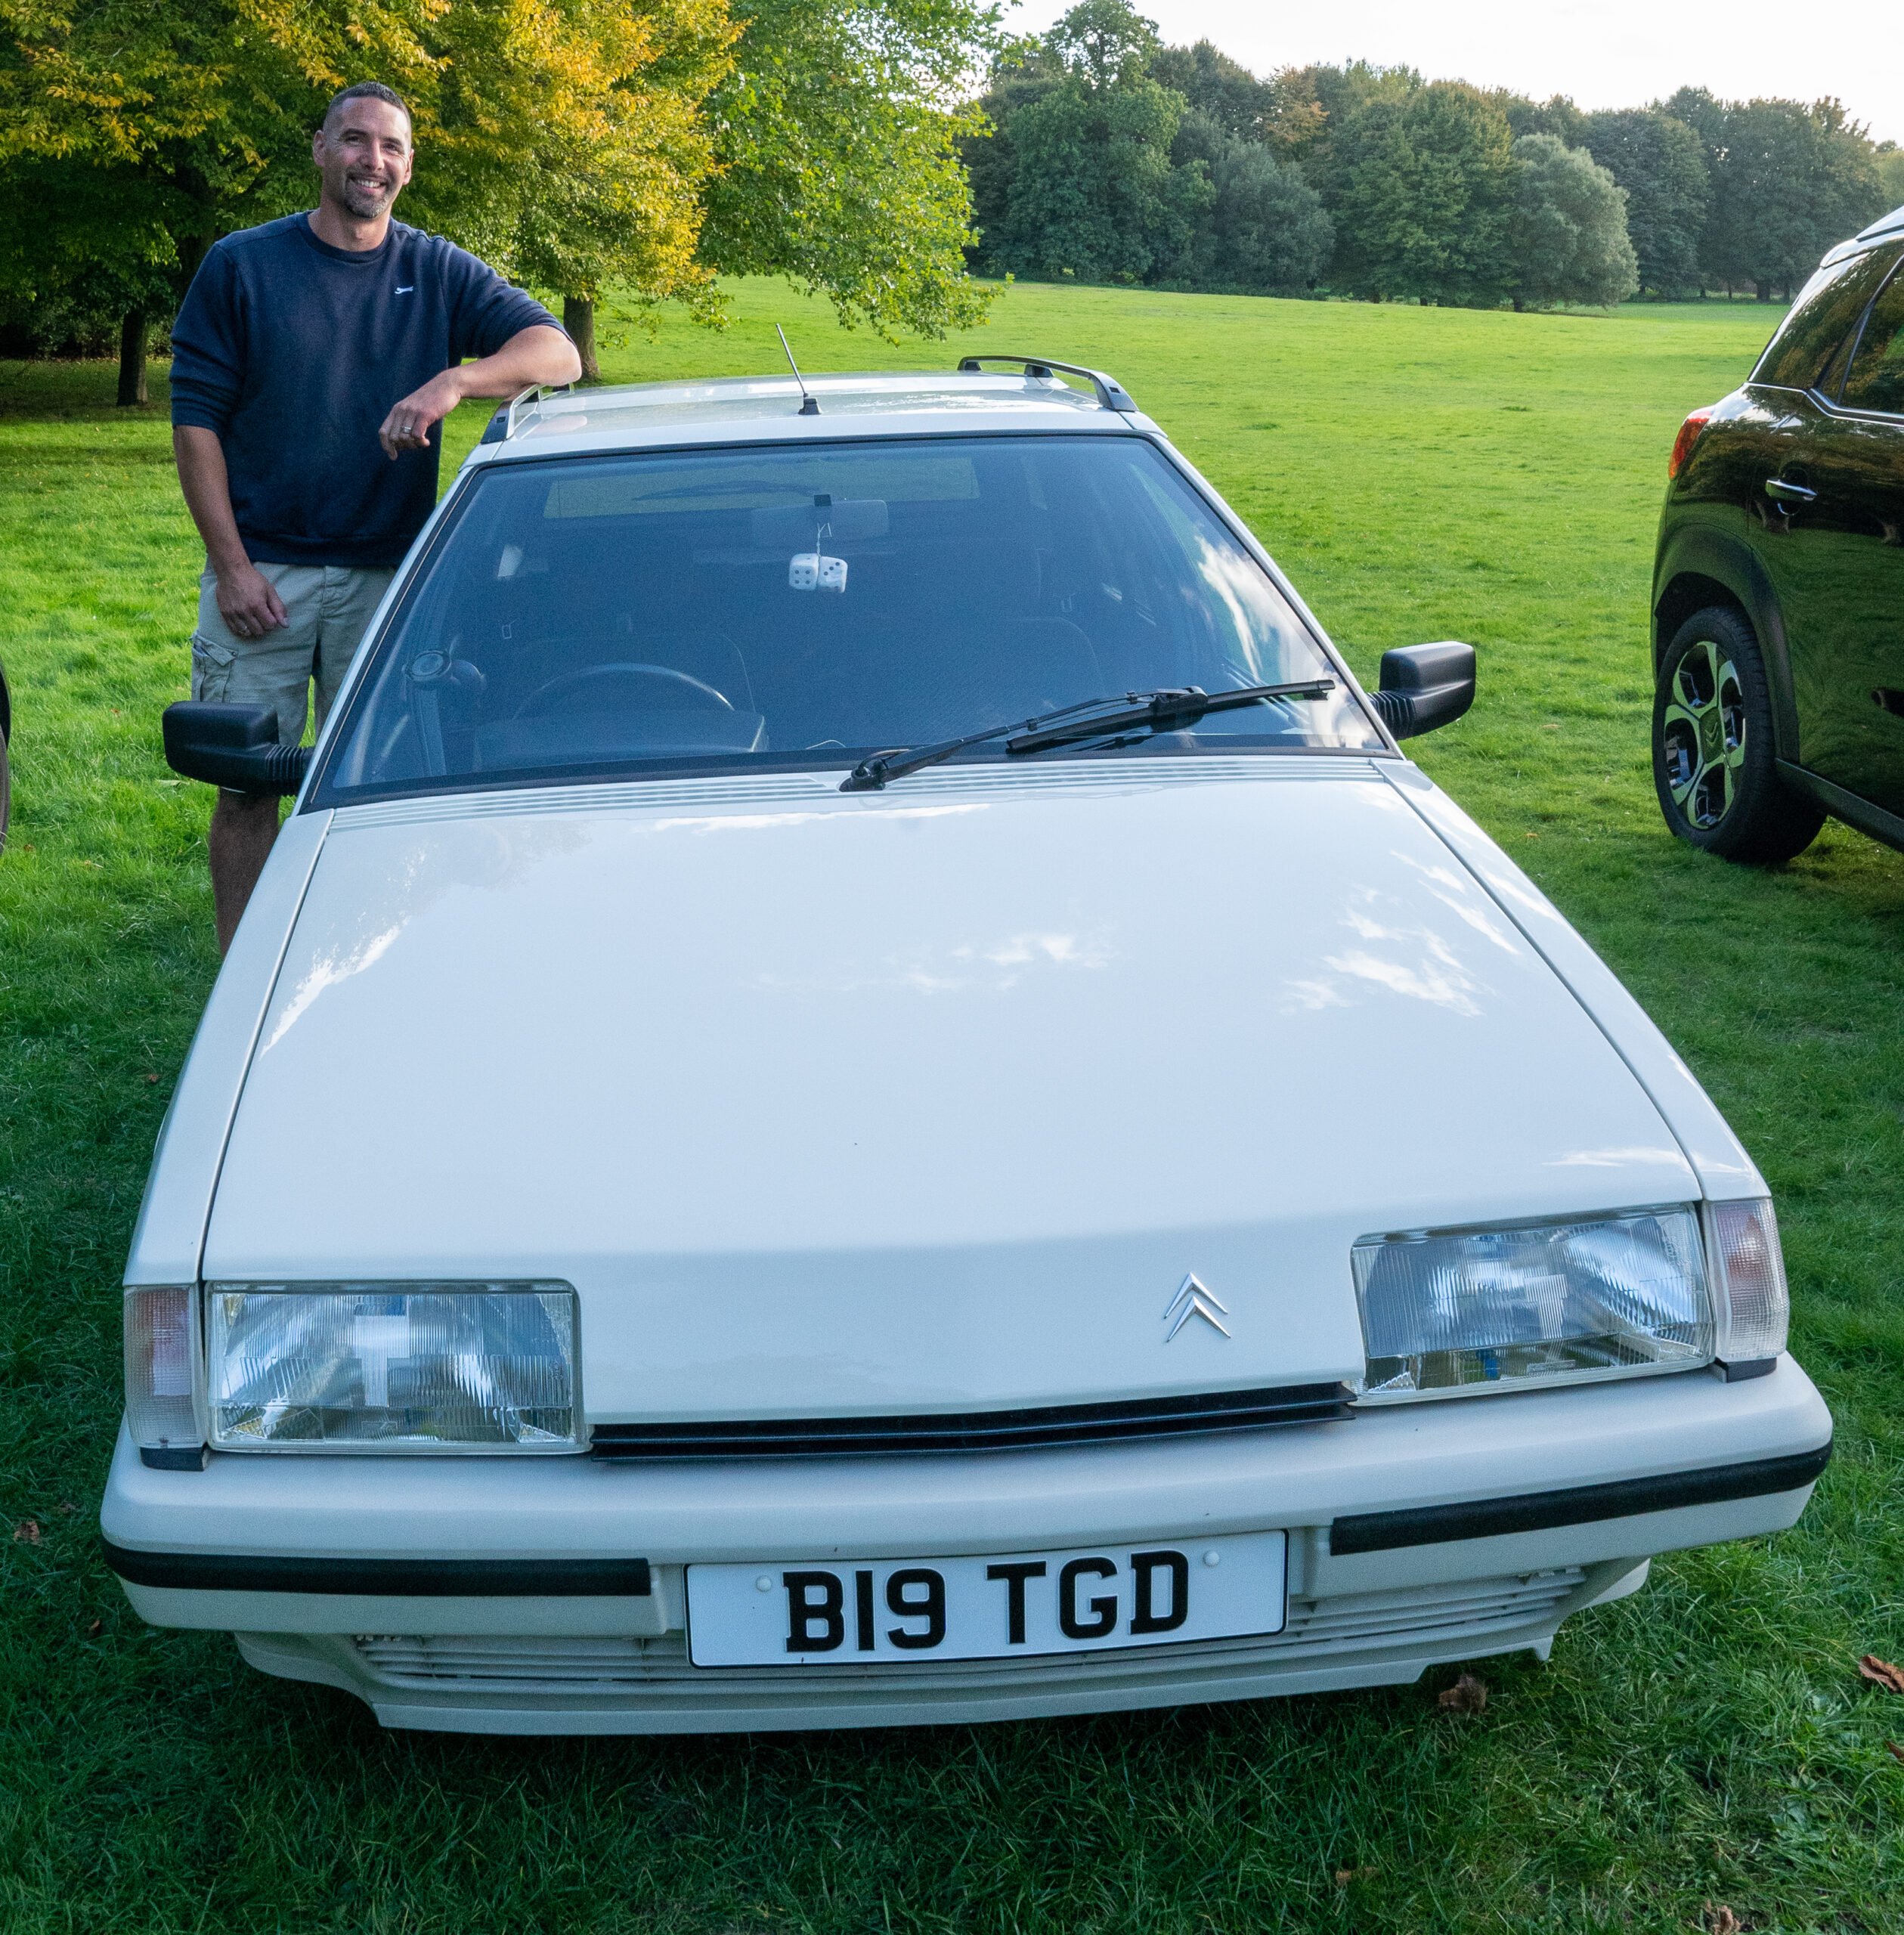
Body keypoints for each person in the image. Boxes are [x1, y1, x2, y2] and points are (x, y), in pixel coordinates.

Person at [169, 80, 582, 952]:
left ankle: (356, 959)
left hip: (389, 583)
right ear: (321, 149)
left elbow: (558, 353)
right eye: (355, 140)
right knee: (246, 788)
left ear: (408, 165)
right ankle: (241, 971)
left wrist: (454, 380)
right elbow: (195, 421)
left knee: (374, 789)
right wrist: (233, 568)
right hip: (263, 577)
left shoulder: (435, 269)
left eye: (391, 146)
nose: (373, 160)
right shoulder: (242, 265)